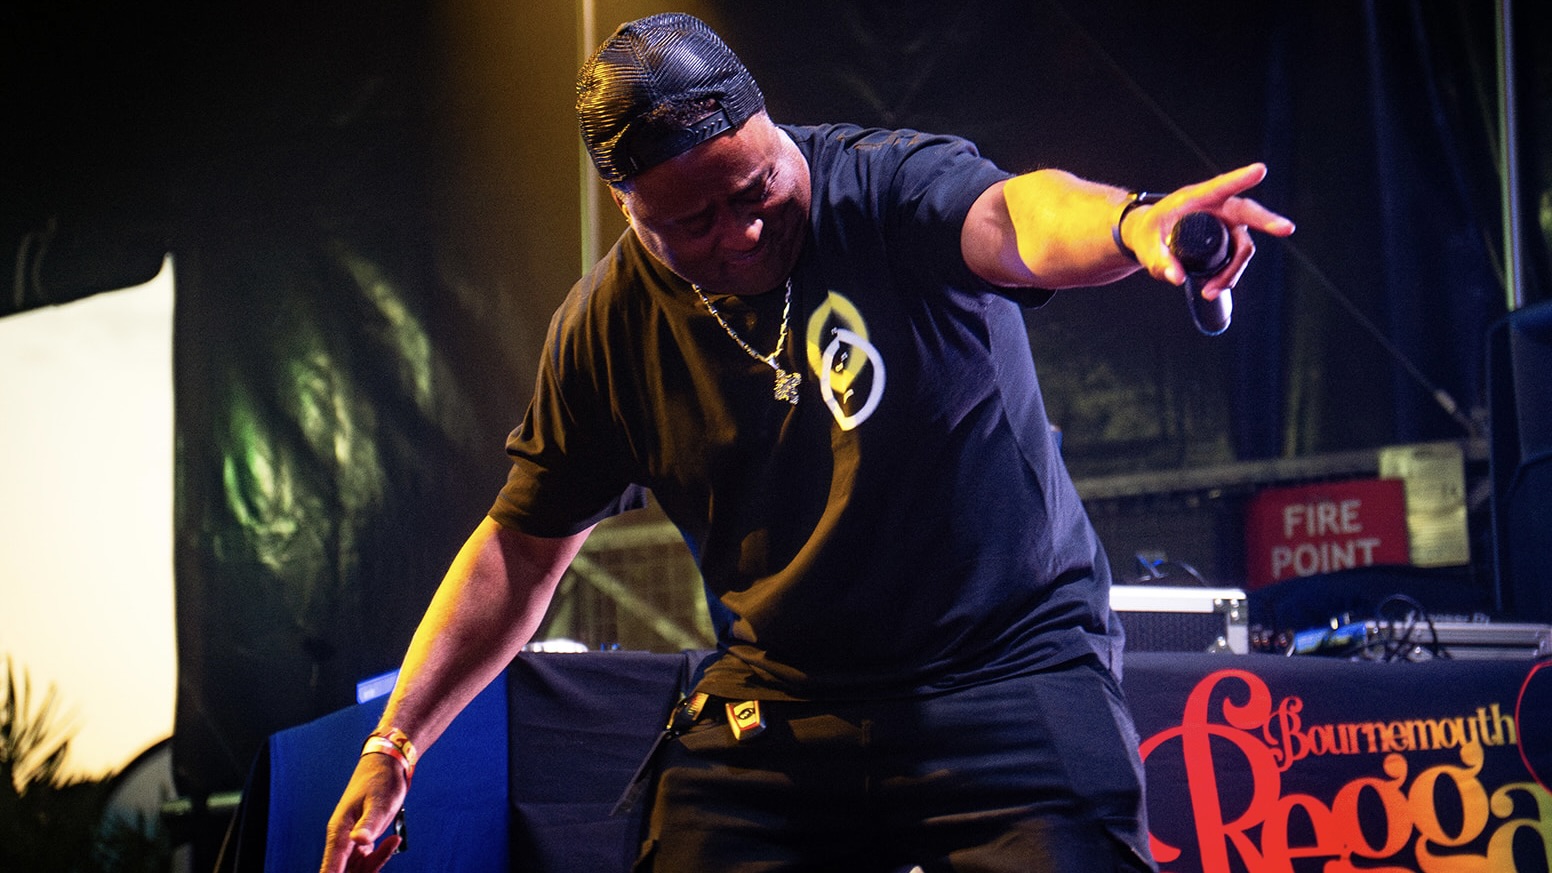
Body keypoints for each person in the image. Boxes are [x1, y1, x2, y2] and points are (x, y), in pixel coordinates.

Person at [321, 12, 1295, 873]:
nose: (742, 232)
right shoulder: (606, 329)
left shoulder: (888, 186)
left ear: (771, 126)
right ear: (627, 207)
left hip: (1003, 666)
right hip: (786, 696)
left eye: (757, 187)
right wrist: (393, 747)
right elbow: (519, 550)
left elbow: (1018, 218)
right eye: (693, 221)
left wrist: (1131, 223)